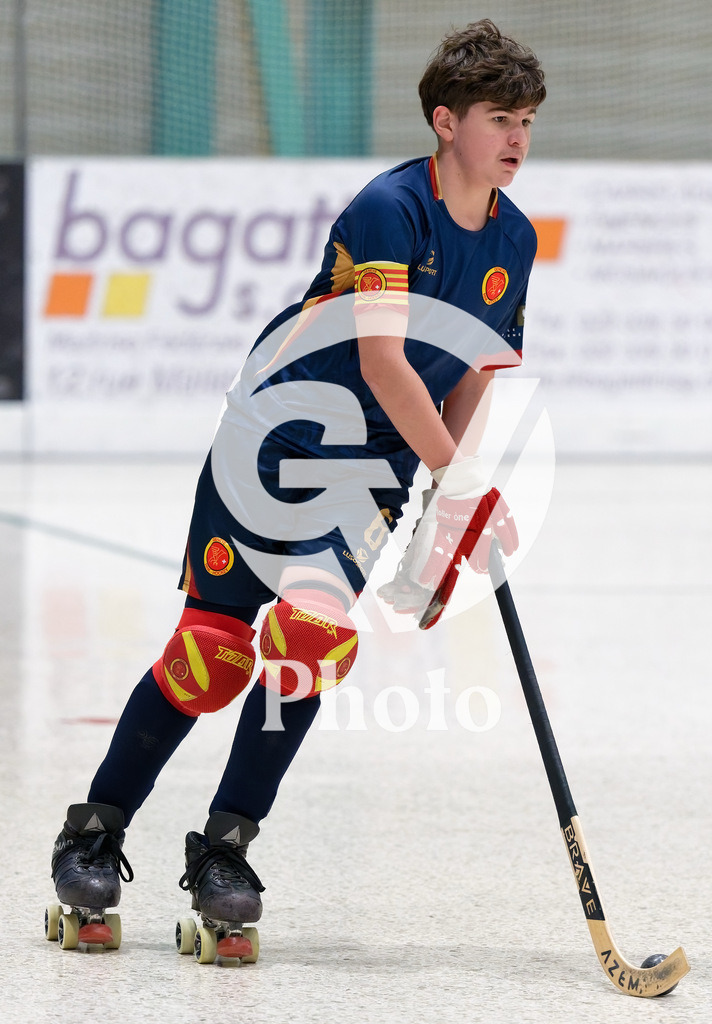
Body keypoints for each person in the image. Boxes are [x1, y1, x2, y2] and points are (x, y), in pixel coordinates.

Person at [49, 19, 546, 950]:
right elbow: (385, 359)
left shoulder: (514, 240)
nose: (517, 139)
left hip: (371, 472)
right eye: (498, 119)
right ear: (446, 121)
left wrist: (453, 491)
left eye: (526, 120)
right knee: (211, 653)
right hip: (272, 446)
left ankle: (226, 850)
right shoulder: (389, 208)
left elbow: (474, 368)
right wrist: (452, 475)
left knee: (308, 643)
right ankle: (94, 832)